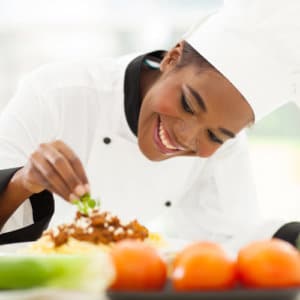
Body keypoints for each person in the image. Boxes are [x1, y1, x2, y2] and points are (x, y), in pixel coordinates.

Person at [0, 0, 299, 251]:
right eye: (188, 104)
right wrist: (23, 182)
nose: (185, 136)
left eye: (215, 135)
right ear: (172, 57)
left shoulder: (224, 148)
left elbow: (233, 237)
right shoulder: (56, 93)